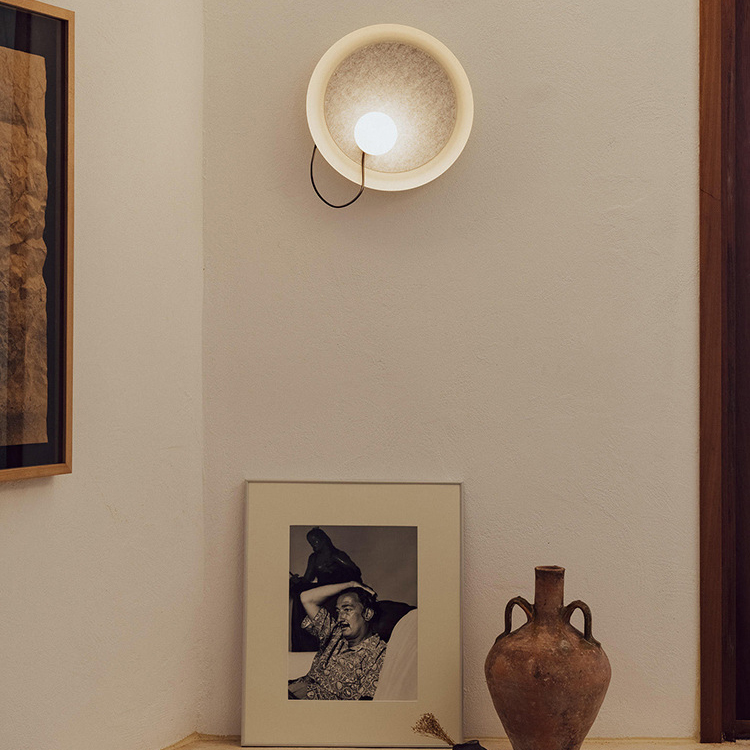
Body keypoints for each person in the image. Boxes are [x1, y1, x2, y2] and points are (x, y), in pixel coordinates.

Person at [288, 580, 386, 700]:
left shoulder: (378, 654)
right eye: (338, 611)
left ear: (367, 614)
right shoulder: (335, 634)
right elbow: (306, 598)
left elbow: (364, 703)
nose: (340, 618)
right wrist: (350, 584)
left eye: (347, 610)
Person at [289, 527, 363, 652]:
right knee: (299, 596)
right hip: (321, 590)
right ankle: (303, 643)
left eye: (315, 541)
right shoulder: (313, 558)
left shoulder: (337, 555)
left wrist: (336, 570)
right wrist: (297, 580)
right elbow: (307, 579)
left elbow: (356, 572)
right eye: (311, 543)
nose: (314, 545)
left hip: (337, 590)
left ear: (323, 539)